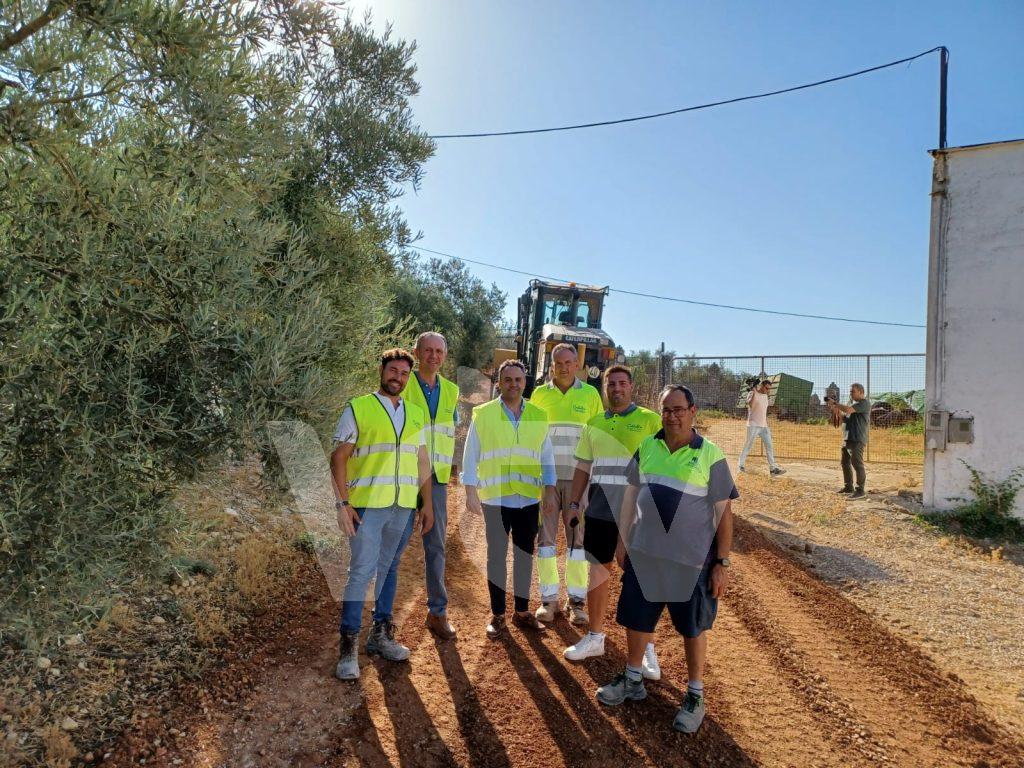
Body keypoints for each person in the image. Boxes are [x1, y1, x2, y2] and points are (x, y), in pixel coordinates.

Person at [596, 384, 737, 734]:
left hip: (691, 562)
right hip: (645, 554)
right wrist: (623, 541)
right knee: (637, 618)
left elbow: (724, 513)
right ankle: (633, 678)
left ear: (693, 412)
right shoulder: (648, 446)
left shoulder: (711, 455)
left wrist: (721, 563)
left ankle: (695, 695)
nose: (672, 417)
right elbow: (630, 496)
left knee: (692, 627)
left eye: (678, 410)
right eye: (666, 410)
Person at [331, 349, 434, 681]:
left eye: (404, 374)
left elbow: (422, 461)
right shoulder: (359, 407)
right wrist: (342, 504)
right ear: (382, 370)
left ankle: (380, 635)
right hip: (366, 506)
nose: (397, 378)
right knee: (361, 572)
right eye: (393, 371)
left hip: (402, 505)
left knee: (390, 568)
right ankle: (348, 648)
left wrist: (427, 504)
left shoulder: (415, 413)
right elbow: (338, 458)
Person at [562, 366, 664, 680]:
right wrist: (574, 503)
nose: (616, 388)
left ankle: (646, 648)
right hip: (600, 511)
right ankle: (595, 637)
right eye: (611, 383)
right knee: (597, 573)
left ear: (631, 387)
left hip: (639, 514)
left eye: (622, 383)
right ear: (604, 388)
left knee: (641, 580)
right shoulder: (593, 424)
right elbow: (583, 466)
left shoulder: (650, 421)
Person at [463, 359, 557, 638]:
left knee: (524, 555)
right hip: (495, 499)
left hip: (527, 499)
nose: (513, 384)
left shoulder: (539, 415)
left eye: (518, 380)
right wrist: (470, 491)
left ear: (525, 382)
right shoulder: (484, 414)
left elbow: (547, 457)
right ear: (499, 383)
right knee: (496, 557)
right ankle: (498, 614)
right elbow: (470, 454)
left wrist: (549, 491)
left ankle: (522, 611)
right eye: (508, 379)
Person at [528, 343, 603, 625]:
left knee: (577, 542)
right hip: (547, 481)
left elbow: (596, 436)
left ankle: (577, 603)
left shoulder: (590, 394)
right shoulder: (539, 394)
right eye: (558, 363)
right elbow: (533, 437)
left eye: (569, 362)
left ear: (577, 365)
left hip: (578, 482)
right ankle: (549, 601)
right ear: (552, 366)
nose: (563, 367)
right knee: (546, 540)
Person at [400, 332, 460, 641]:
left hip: (436, 479)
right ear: (416, 352)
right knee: (392, 546)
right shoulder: (402, 383)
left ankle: (438, 612)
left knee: (436, 546)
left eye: (439, 351)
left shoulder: (451, 390)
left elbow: (450, 430)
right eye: (428, 350)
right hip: (401, 476)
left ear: (444, 355)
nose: (433, 356)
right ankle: (382, 618)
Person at [829, 382, 870, 499]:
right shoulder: (852, 405)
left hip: (857, 439)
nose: (850, 393)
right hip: (847, 438)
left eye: (853, 391)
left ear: (861, 392)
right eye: (850, 391)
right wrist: (836, 411)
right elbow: (843, 419)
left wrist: (835, 404)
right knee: (845, 463)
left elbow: (847, 409)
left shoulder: (864, 403)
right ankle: (848, 487)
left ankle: (860, 490)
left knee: (857, 464)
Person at [738, 377, 785, 476]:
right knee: (748, 445)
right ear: (761, 386)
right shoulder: (752, 393)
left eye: (769, 389)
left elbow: (763, 409)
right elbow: (750, 404)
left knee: (769, 446)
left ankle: (773, 469)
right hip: (753, 424)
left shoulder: (765, 396)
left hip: (764, 425)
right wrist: (753, 391)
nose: (768, 391)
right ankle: (740, 465)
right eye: (767, 388)